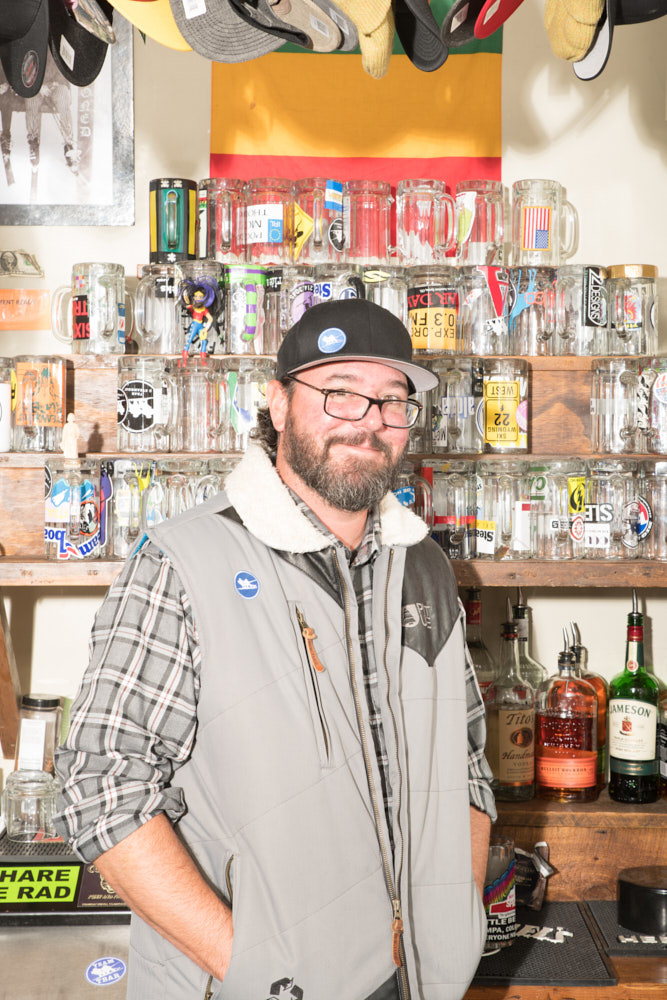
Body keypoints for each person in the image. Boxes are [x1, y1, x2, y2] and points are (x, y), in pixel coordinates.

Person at [55, 298, 496, 1000]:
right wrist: (251, 964)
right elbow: (100, 793)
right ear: (279, 403)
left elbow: (466, 762)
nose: (368, 422)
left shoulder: (427, 568)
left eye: (390, 401)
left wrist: (453, 924)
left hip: (413, 982)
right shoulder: (183, 559)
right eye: (339, 394)